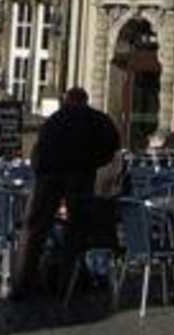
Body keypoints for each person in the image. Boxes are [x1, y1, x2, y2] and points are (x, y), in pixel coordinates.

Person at [10, 86, 121, 301]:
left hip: (49, 176)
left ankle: (22, 283)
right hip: (79, 176)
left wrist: (41, 171)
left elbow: (38, 151)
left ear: (67, 100)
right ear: (85, 100)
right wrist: (93, 164)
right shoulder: (97, 120)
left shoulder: (55, 120)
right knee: (75, 231)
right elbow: (112, 147)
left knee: (34, 230)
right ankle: (66, 284)